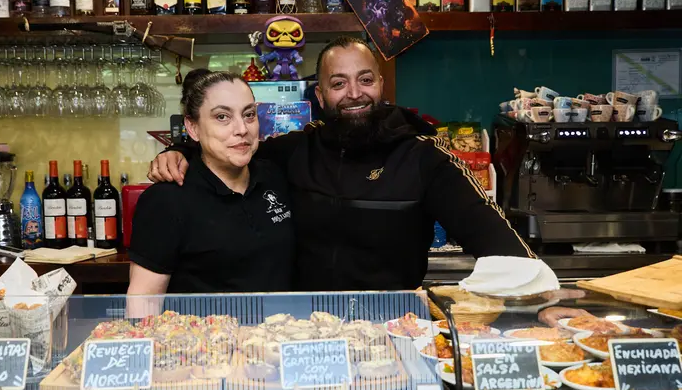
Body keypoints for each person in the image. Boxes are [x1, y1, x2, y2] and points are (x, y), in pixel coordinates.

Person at [146, 36, 540, 293]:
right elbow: (231, 145)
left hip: (392, 332)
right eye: (339, 84)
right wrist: (180, 150)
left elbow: (498, 241)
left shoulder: (425, 157)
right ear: (319, 95)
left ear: (381, 85)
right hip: (304, 335)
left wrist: (541, 294)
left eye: (365, 80)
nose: (355, 94)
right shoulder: (293, 149)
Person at [127, 69, 294, 296]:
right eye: (222, 117)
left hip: (279, 329)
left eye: (249, 115)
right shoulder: (166, 200)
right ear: (193, 127)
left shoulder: (275, 176)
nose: (242, 129)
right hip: (205, 331)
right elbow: (143, 301)